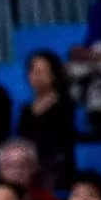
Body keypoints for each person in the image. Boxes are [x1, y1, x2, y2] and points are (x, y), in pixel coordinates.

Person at [15, 51, 77, 186]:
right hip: (30, 163)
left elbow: (62, 141)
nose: (37, 76)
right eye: (34, 71)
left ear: (54, 75)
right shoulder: (26, 109)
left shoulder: (65, 104)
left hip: (57, 165)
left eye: (43, 71)